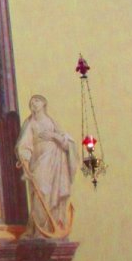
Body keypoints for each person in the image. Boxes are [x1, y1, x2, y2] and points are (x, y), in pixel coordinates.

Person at [16, 94, 78, 238]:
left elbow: (67, 143)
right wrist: (25, 159)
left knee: (54, 194)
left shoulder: (52, 122)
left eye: (36, 101)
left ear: (44, 103)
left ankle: (53, 225)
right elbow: (24, 144)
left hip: (56, 161)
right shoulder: (30, 123)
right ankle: (39, 230)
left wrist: (53, 136)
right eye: (31, 102)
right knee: (40, 192)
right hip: (39, 162)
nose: (33, 104)